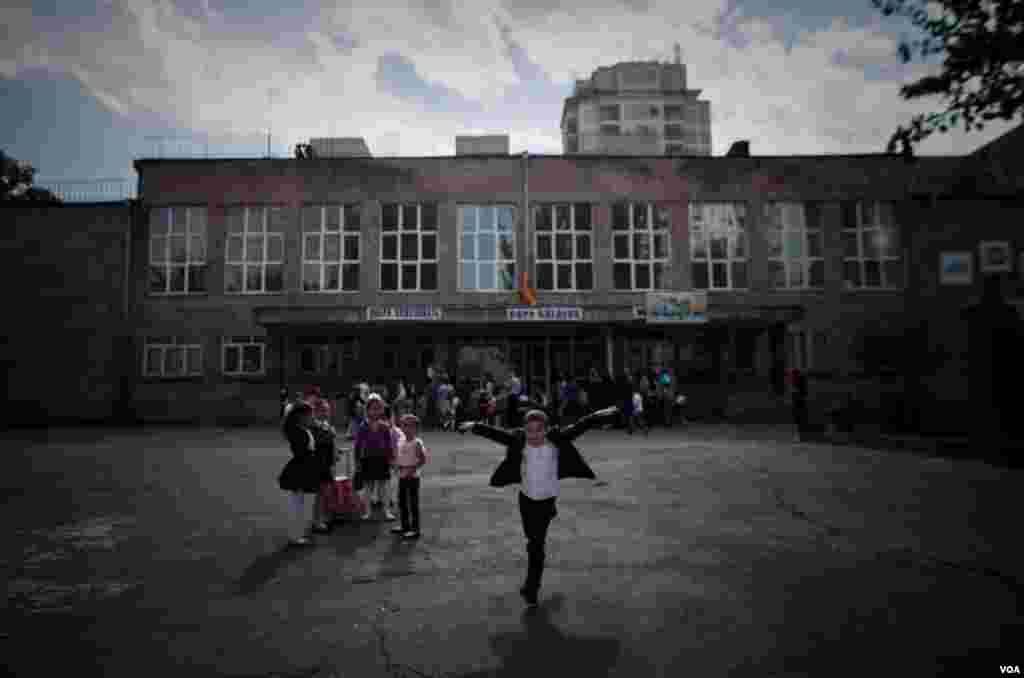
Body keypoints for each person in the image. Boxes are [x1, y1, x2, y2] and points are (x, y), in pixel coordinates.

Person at [458, 405, 620, 608]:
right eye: (530, 430)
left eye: (539, 430)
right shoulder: (520, 441)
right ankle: (534, 573)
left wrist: (597, 415)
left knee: (535, 545)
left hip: (546, 500)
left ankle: (532, 588)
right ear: (524, 430)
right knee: (531, 537)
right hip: (526, 499)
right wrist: (474, 425)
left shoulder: (556, 441)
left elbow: (581, 426)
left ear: (547, 429)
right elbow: (496, 434)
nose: (534, 435)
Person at [277, 402, 330, 546]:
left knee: (300, 503)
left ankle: (297, 534)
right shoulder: (297, 431)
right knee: (297, 504)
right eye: (310, 415)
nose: (312, 417)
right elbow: (303, 452)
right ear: (301, 416)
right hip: (301, 469)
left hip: (304, 467)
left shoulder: (302, 430)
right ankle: (295, 535)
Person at [353, 394, 397, 521]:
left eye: (378, 408)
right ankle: (367, 511)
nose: (375, 411)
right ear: (367, 410)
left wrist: (392, 458)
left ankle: (387, 511)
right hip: (367, 459)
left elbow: (389, 444)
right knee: (368, 487)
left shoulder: (384, 426)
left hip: (382, 459)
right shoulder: (363, 426)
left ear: (382, 410)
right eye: (372, 408)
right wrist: (357, 461)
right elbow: (357, 445)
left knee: (385, 486)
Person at [391, 414, 429, 539]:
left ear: (415, 428)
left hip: (413, 477)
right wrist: (397, 465)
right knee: (402, 502)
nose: (406, 428)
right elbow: (400, 456)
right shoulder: (401, 440)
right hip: (402, 475)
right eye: (403, 425)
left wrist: (412, 470)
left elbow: (423, 460)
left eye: (409, 426)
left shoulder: (417, 443)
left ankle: (415, 529)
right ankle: (405, 525)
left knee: (413, 503)